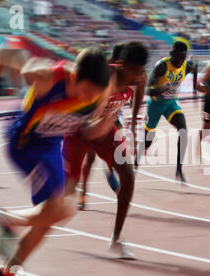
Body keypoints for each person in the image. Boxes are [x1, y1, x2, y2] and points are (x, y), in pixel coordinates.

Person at [0, 47, 113, 276]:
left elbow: (91, 130)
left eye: (95, 93)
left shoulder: (101, 91)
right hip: (24, 145)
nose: (89, 97)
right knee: (58, 208)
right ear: (74, 75)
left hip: (50, 148)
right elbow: (3, 55)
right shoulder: (46, 75)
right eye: (87, 90)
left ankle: (8, 274)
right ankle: (7, 219)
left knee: (53, 216)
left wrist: (104, 122)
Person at [63, 42, 148, 259]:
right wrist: (103, 123)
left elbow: (137, 101)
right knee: (65, 193)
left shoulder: (140, 77)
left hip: (104, 128)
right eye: (134, 71)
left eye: (141, 71)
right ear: (123, 65)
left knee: (128, 175)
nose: (137, 76)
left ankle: (117, 239)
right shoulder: (108, 78)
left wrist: (134, 128)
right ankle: (26, 219)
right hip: (81, 129)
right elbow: (89, 124)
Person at [134, 41, 197, 183]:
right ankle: (136, 160)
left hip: (170, 104)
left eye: (183, 58)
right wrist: (160, 90)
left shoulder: (186, 66)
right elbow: (146, 89)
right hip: (155, 104)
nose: (180, 62)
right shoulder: (161, 67)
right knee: (148, 141)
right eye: (178, 58)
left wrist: (194, 90)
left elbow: (194, 67)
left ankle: (179, 170)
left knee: (183, 130)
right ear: (172, 55)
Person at [77, 43, 129, 210]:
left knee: (121, 147)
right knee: (90, 159)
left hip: (112, 119)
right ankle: (83, 193)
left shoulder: (127, 77)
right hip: (94, 118)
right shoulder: (104, 73)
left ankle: (110, 170)